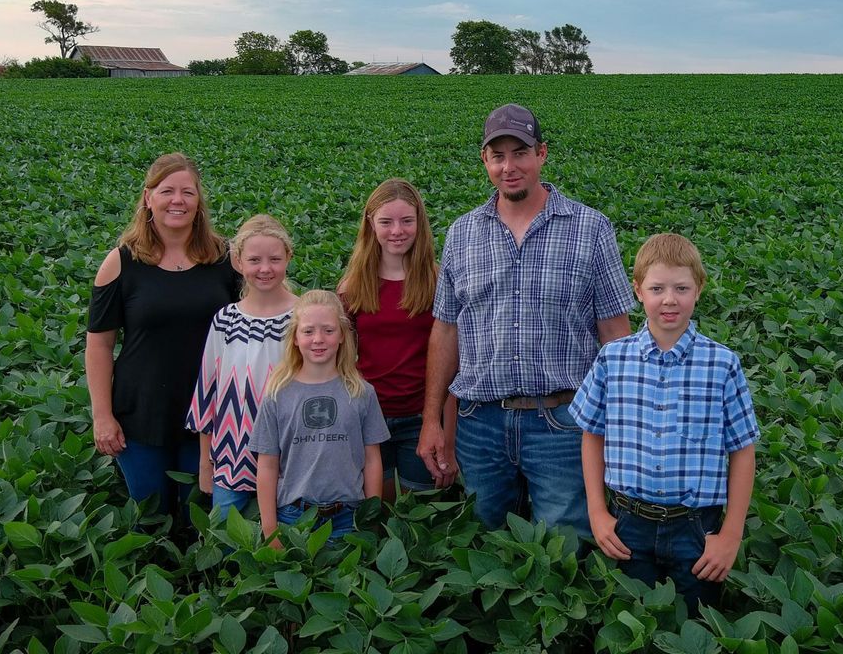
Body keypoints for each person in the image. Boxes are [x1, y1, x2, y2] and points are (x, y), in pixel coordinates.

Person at [419, 103, 636, 536]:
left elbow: (615, 333)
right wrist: (432, 420)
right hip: (479, 422)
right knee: (485, 543)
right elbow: (445, 331)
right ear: (485, 161)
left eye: (520, 152)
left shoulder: (590, 228)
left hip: (563, 422)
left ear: (542, 154)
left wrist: (620, 421)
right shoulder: (463, 233)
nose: (509, 166)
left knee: (564, 547)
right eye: (497, 156)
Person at [569, 233, 759, 617]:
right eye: (657, 288)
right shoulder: (613, 359)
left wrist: (730, 536)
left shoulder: (722, 364)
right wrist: (597, 513)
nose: (669, 299)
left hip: (696, 530)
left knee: (694, 626)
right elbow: (592, 436)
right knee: (630, 622)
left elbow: (742, 450)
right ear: (638, 290)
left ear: (699, 290)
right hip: (627, 524)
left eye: (681, 288)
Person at [86, 152, 242, 516]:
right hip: (140, 413)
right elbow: (99, 344)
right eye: (167, 190)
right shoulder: (121, 262)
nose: (178, 200)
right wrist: (102, 416)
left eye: (188, 192)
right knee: (149, 514)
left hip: (212, 413)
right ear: (147, 197)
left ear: (199, 201)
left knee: (201, 517)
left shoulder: (225, 258)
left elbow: (264, 311)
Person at [338, 178, 457, 499]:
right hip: (367, 419)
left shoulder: (437, 280)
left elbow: (453, 365)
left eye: (407, 221)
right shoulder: (352, 286)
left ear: (420, 222)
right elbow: (340, 363)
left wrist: (449, 435)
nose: (397, 231)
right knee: (375, 509)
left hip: (422, 419)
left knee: (419, 511)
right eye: (386, 222)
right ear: (370, 224)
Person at [249, 290, 390, 546]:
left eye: (328, 330)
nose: (318, 339)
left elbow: (372, 460)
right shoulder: (277, 393)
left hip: (349, 516)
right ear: (294, 337)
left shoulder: (361, 392)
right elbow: (267, 465)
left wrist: (370, 519)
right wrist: (270, 528)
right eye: (308, 331)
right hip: (293, 518)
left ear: (342, 336)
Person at [186, 214, 297, 521]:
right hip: (230, 454)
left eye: (275, 259)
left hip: (290, 456)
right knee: (226, 541)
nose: (265, 268)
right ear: (237, 261)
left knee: (284, 541)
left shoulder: (302, 317)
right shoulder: (225, 320)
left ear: (289, 257)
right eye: (254, 259)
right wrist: (206, 463)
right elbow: (207, 391)